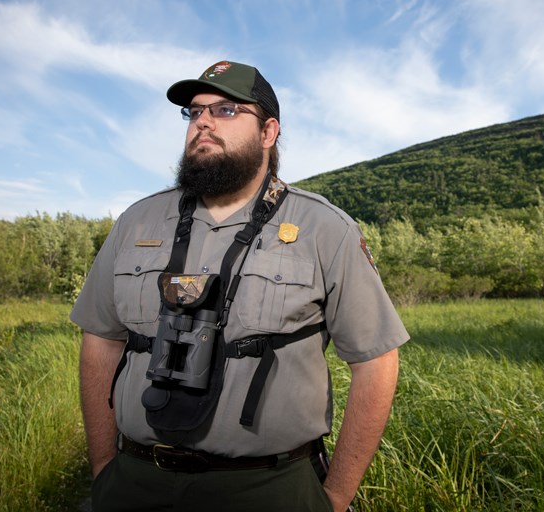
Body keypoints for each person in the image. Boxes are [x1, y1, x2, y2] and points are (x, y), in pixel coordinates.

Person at [71, 60, 409, 511]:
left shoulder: (323, 228)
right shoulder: (137, 221)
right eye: (195, 112)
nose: (204, 122)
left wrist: (336, 498)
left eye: (227, 111)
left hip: (269, 489)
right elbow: (101, 341)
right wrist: (103, 469)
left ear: (268, 133)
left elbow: (377, 362)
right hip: (136, 482)